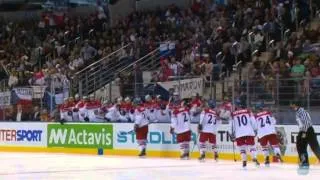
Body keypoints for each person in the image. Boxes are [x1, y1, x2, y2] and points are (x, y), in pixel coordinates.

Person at [290, 101, 320, 168]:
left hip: (307, 131)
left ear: (295, 105)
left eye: (292, 104)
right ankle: (304, 161)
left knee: (313, 147)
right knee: (302, 146)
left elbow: (306, 123)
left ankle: (304, 162)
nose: (291, 106)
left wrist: (304, 133)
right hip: (305, 131)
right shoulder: (298, 112)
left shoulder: (301, 112)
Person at [230, 102, 260, 168]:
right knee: (252, 147)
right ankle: (254, 158)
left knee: (242, 148)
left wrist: (232, 133)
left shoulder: (233, 114)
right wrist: (255, 129)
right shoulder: (248, 111)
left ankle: (244, 161)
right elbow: (253, 121)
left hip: (239, 133)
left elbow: (232, 125)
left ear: (237, 107)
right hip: (249, 132)